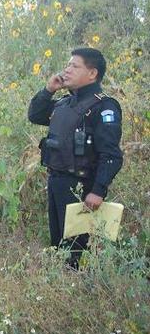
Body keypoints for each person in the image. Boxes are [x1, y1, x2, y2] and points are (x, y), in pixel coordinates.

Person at [28, 48, 123, 269]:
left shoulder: (103, 106)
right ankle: (63, 288)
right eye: (67, 65)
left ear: (92, 74)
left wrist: (98, 190)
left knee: (77, 251)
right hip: (56, 182)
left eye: (74, 66)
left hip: (81, 187)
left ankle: (81, 291)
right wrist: (49, 89)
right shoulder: (63, 103)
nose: (67, 69)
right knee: (59, 245)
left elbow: (111, 154)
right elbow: (34, 115)